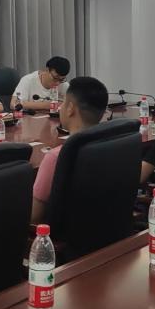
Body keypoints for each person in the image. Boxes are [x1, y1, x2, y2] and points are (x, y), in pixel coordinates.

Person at [31, 76, 108, 222]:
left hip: (62, 234)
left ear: (70, 109)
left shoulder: (56, 157)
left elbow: (34, 217)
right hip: (107, 227)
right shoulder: (110, 144)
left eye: (63, 103)